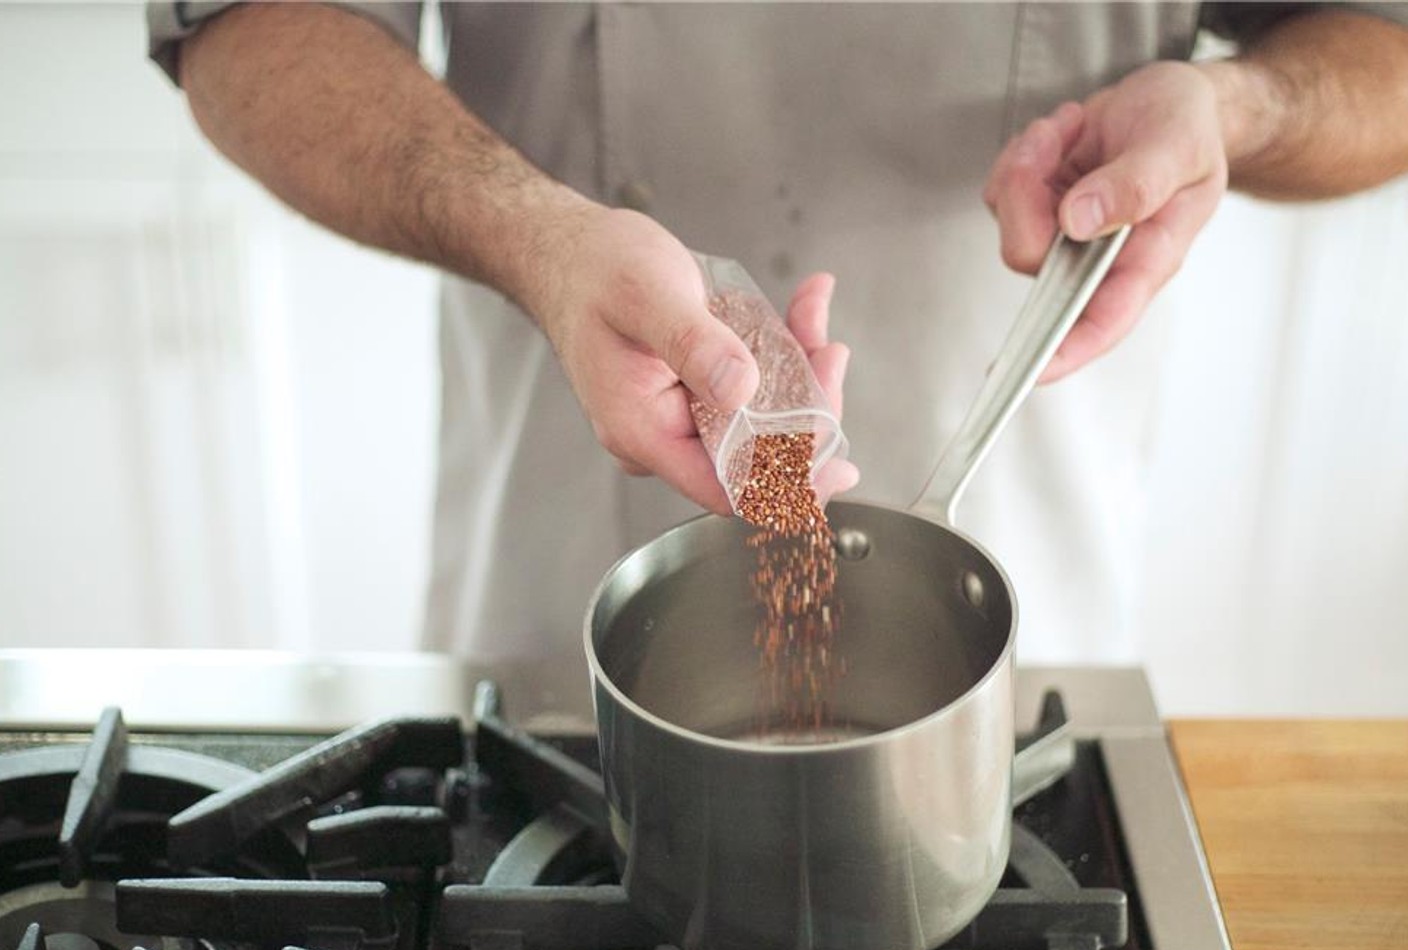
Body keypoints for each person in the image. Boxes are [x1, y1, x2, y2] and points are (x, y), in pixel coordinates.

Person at [147, 2, 1408, 725]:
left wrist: (1232, 107)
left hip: (1031, 579)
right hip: (548, 570)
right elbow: (246, 26)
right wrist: (536, 237)